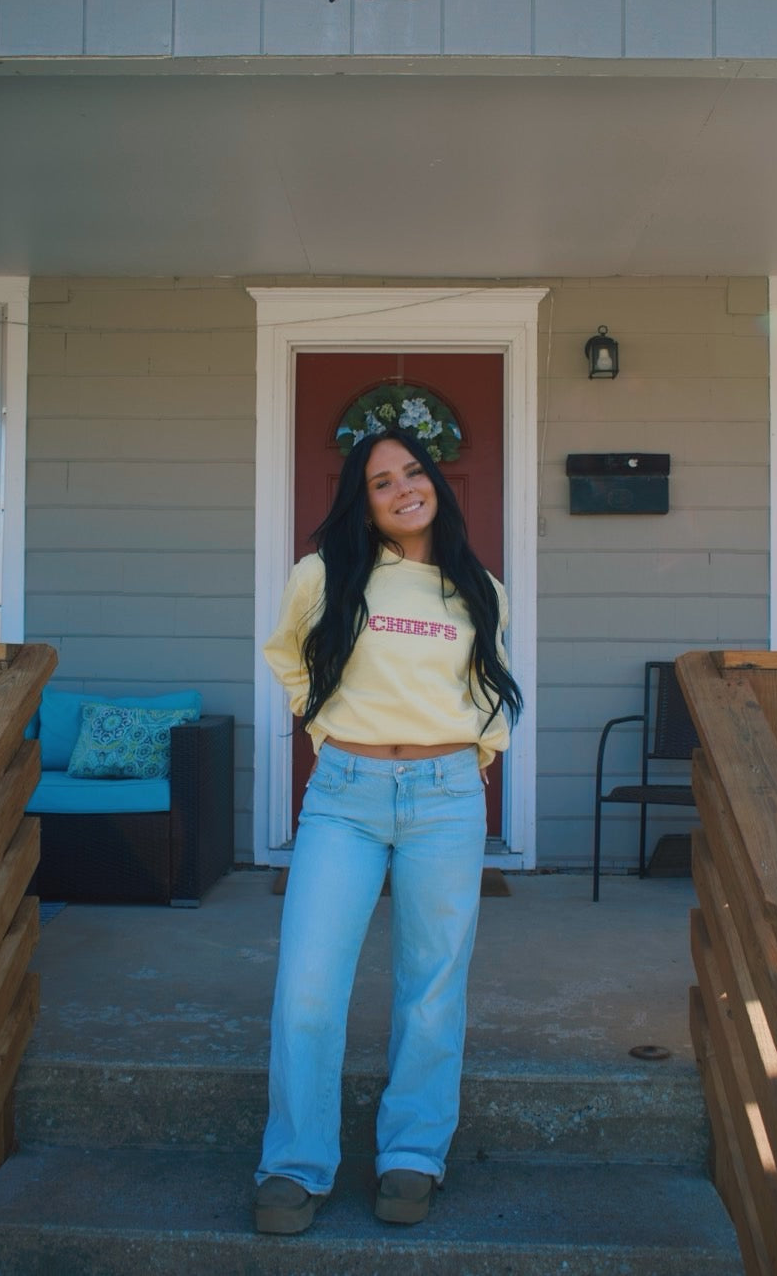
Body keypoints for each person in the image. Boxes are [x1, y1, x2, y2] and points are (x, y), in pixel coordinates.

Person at [254, 425, 523, 1235]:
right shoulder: (324, 573)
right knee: (307, 985)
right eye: (380, 481)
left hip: (446, 797)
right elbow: (286, 656)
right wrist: (325, 724)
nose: (403, 487)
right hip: (345, 795)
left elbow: (489, 680)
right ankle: (295, 1164)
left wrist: (476, 751)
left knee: (432, 988)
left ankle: (412, 1154)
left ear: (434, 480)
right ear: (362, 504)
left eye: (413, 471)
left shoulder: (478, 587)